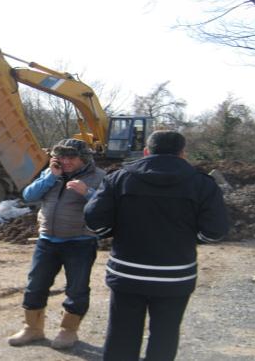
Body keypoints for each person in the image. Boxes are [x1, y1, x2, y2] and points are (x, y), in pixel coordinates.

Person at [84, 130, 229, 361]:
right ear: (182, 153)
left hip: (127, 273)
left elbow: (94, 219)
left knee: (122, 333)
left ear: (146, 151)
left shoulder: (119, 178)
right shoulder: (202, 183)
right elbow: (216, 230)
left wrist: (112, 233)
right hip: (175, 276)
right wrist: (191, 239)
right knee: (165, 334)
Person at [7, 138, 105, 349]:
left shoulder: (99, 177)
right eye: (61, 157)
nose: (65, 161)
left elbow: (107, 207)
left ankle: (68, 331)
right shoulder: (51, 173)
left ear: (83, 158)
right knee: (35, 286)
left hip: (80, 242)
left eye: (71, 157)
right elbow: (28, 195)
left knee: (77, 289)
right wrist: (51, 177)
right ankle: (32, 329)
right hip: (47, 240)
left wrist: (87, 192)